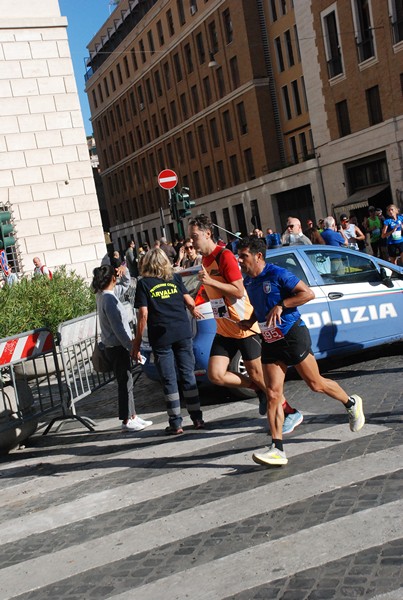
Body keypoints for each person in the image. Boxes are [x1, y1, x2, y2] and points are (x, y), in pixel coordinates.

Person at [237, 236, 365, 466]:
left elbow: (307, 293)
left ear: (258, 256)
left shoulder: (278, 274)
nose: (240, 260)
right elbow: (261, 307)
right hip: (270, 339)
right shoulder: (249, 282)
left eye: (244, 256)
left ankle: (351, 403)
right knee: (273, 394)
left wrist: (282, 305)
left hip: (292, 335)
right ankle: (277, 448)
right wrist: (250, 320)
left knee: (315, 384)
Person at [188, 214, 302, 434]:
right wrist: (197, 298)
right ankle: (258, 390)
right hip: (224, 328)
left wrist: (210, 281)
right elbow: (212, 289)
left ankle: (290, 412)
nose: (192, 242)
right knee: (216, 374)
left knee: (262, 377)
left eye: (195, 237)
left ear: (207, 233)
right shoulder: (205, 259)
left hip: (243, 327)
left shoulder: (225, 256)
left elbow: (239, 290)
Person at [133, 248, 204, 434]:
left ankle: (176, 422)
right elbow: (189, 301)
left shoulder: (144, 284)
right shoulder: (175, 278)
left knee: (169, 378)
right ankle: (197, 418)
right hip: (182, 331)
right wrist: (192, 311)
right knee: (188, 374)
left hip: (161, 335)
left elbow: (143, 314)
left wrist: (137, 341)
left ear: (146, 264)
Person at [91, 264, 152, 432]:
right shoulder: (109, 299)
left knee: (127, 381)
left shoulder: (104, 295)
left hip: (115, 346)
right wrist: (132, 347)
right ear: (112, 278)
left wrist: (124, 273)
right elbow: (117, 327)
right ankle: (126, 419)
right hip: (117, 347)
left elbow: (125, 285)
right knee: (125, 383)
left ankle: (132, 415)